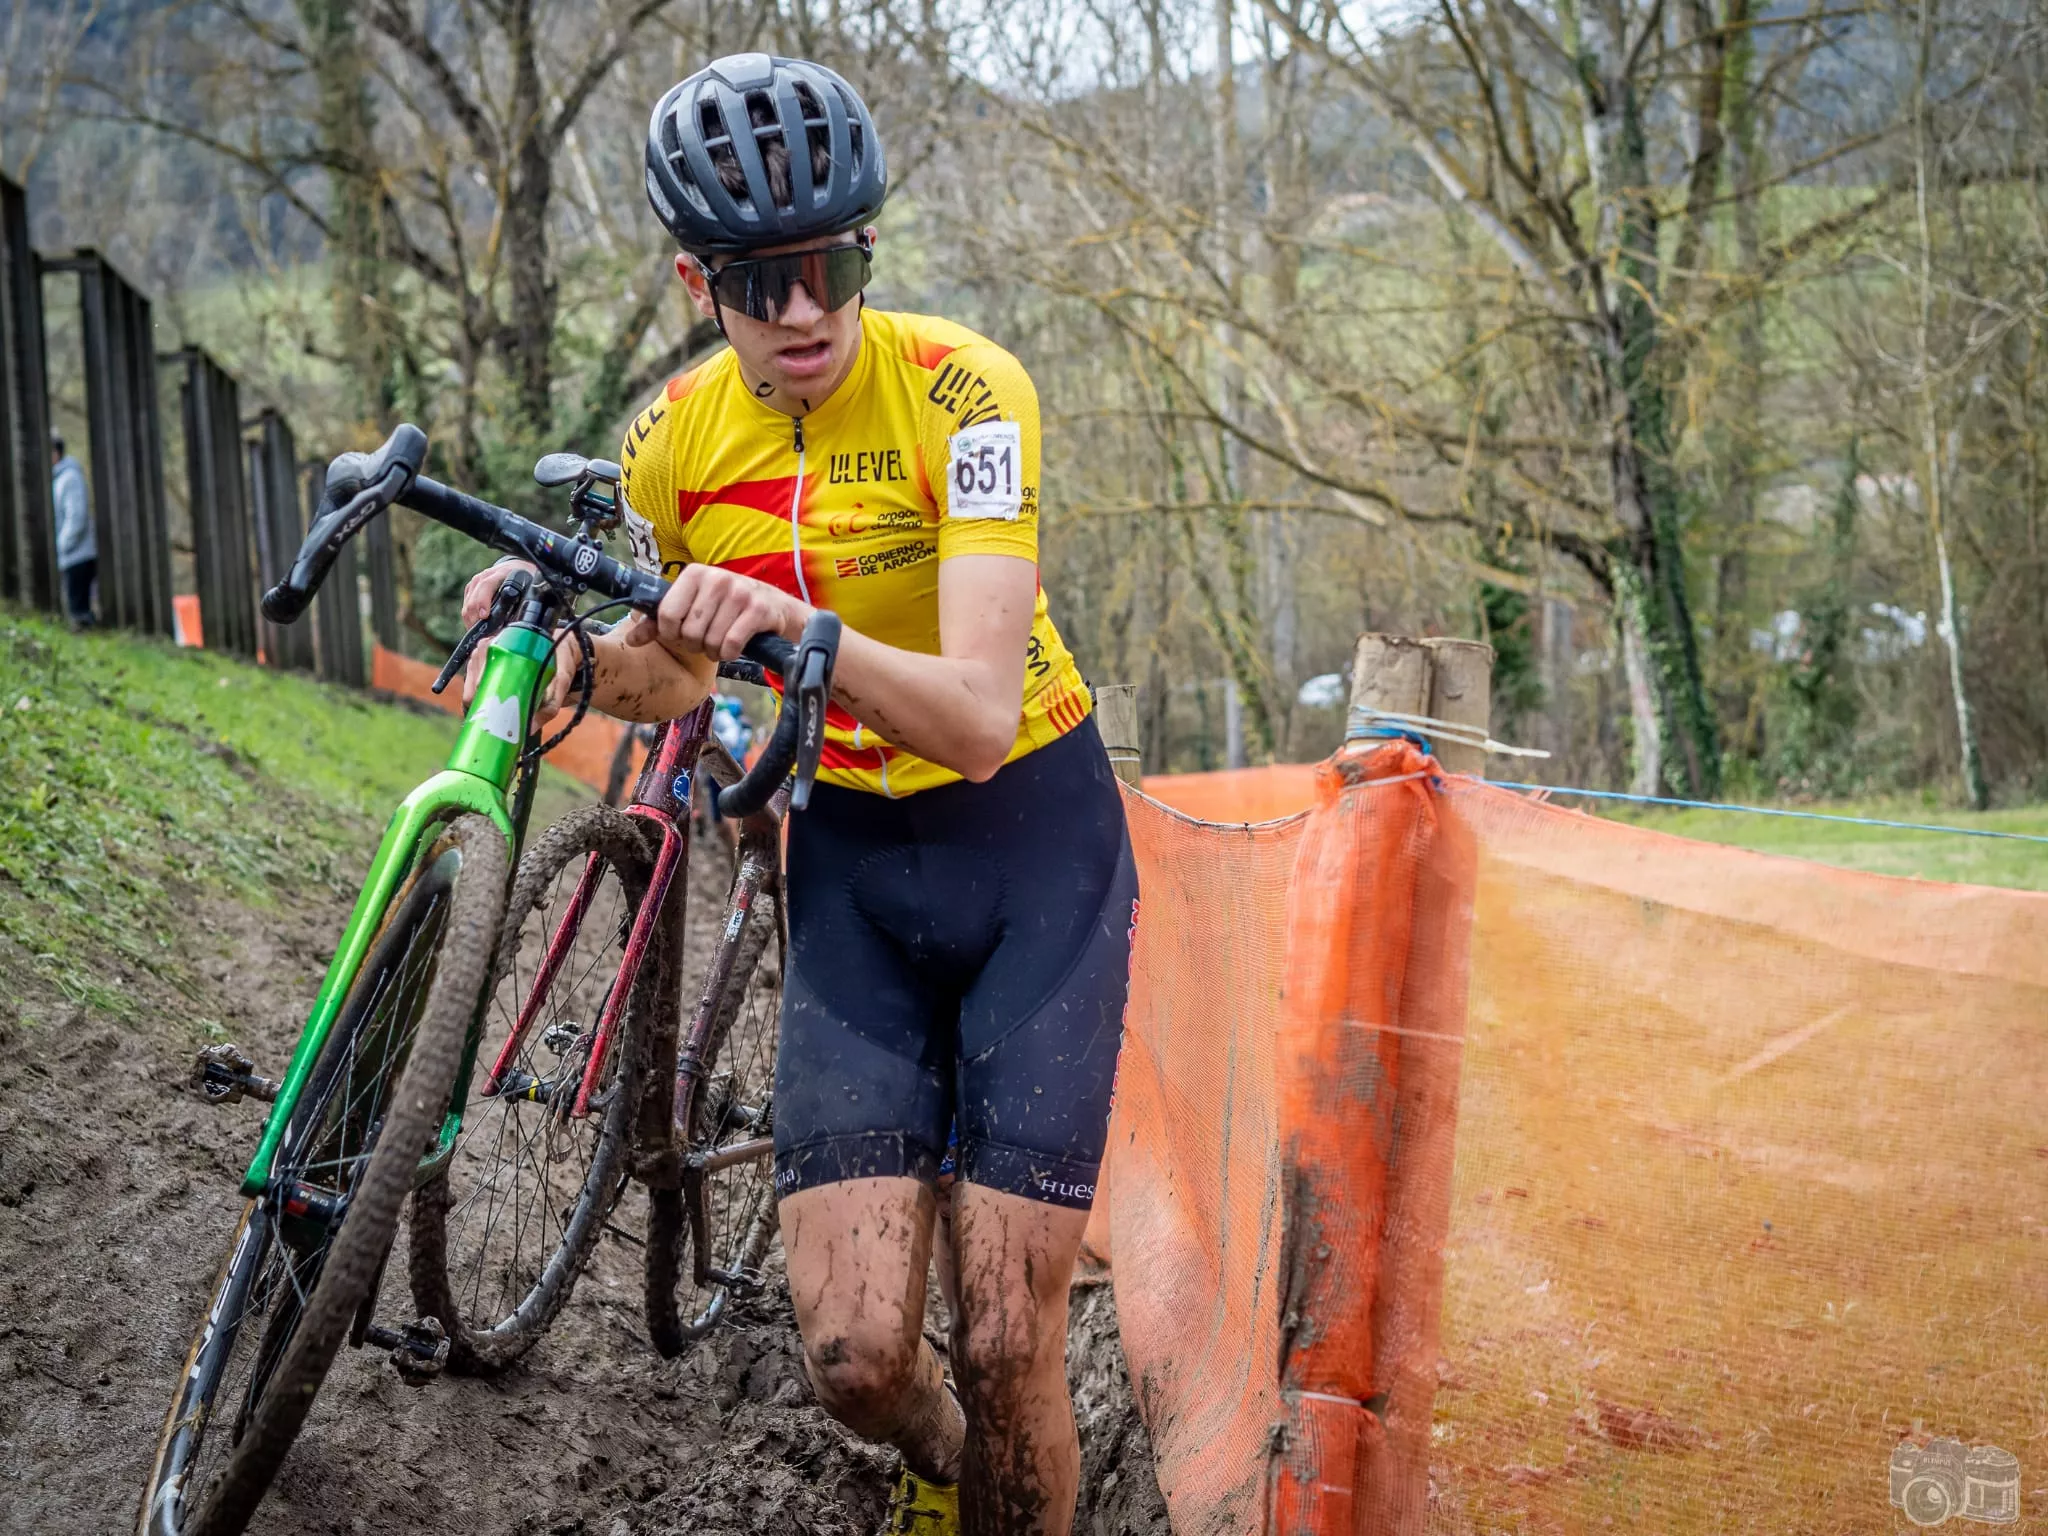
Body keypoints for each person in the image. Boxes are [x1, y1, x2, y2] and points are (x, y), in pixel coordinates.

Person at [465, 53, 1136, 1536]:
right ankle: (941, 1467)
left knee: (1015, 1336)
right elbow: (664, 684)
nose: (801, 311)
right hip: (849, 869)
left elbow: (972, 720)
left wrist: (799, 631)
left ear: (866, 252)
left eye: (828, 266)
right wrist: (574, 636)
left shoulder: (968, 391)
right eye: (760, 281)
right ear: (700, 281)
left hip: (1029, 840)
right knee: (850, 1362)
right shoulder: (673, 440)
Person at [51, 433, 95, 628]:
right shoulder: (59, 478)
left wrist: (61, 546)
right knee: (76, 607)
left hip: (77, 555)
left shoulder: (69, 478)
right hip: (71, 555)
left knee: (78, 609)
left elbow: (76, 516)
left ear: (56, 453)